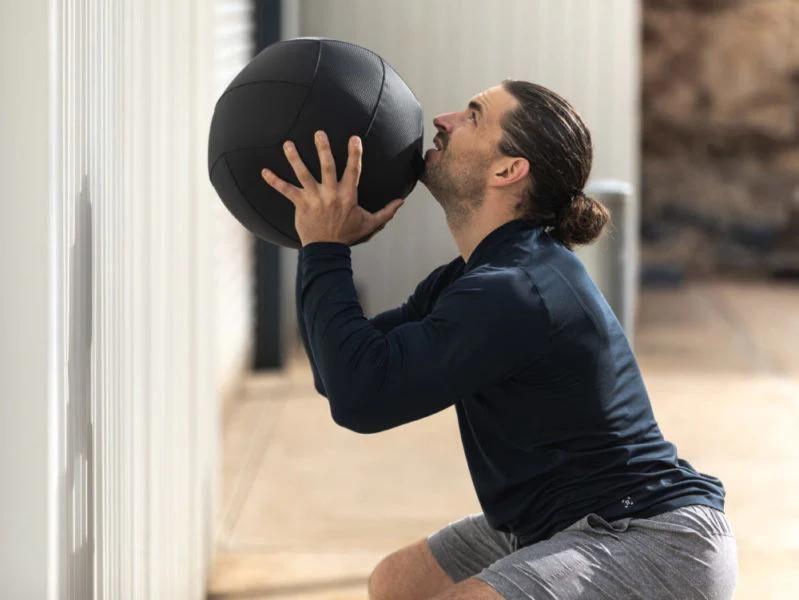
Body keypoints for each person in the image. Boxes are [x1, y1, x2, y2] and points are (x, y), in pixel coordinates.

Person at [261, 80, 738, 600]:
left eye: (472, 115)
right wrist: (323, 245)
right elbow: (340, 374)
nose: (442, 120)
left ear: (508, 170)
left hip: (651, 541)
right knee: (397, 584)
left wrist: (325, 250)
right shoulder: (469, 278)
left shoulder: (515, 288)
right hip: (557, 522)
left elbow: (360, 396)